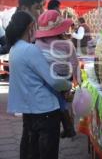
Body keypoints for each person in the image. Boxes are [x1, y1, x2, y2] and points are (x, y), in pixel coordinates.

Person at [6, 11, 72, 159]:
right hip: (46, 111)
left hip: (29, 111)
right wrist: (68, 85)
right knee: (47, 153)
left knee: (31, 152)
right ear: (31, 27)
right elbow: (53, 80)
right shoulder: (30, 49)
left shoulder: (14, 49)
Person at [35, 10, 79, 138]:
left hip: (46, 79)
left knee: (58, 102)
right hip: (64, 78)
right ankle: (68, 127)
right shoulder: (67, 44)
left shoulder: (37, 43)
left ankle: (67, 127)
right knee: (62, 102)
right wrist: (77, 83)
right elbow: (75, 64)